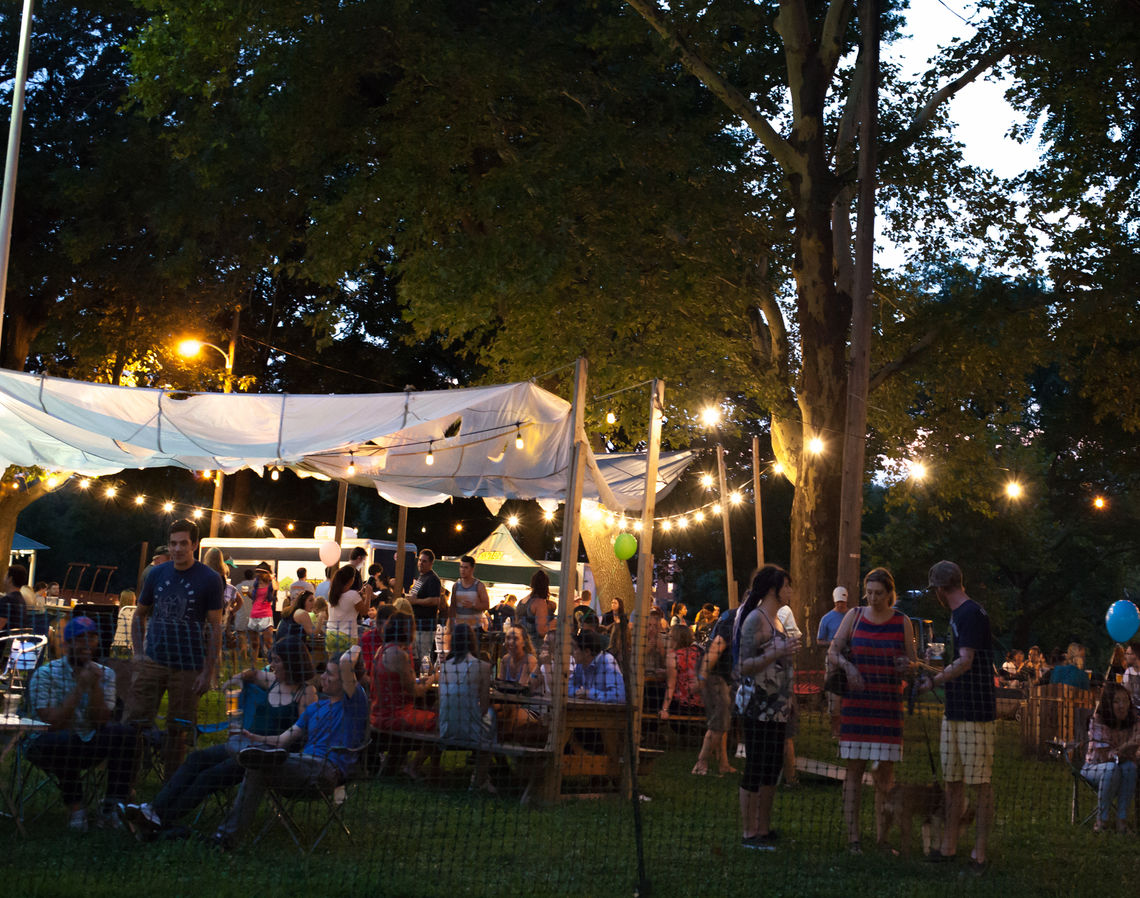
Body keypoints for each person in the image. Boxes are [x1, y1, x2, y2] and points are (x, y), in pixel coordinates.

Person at [118, 636, 316, 839]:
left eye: (276, 660)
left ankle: (159, 816)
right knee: (197, 759)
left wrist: (260, 739)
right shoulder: (274, 681)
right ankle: (153, 810)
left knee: (210, 775)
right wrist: (237, 678)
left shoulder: (305, 693)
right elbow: (253, 674)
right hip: (244, 743)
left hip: (266, 755)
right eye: (271, 659)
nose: (271, 665)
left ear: (292, 661)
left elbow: (300, 734)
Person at [212, 644, 367, 850]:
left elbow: (348, 662)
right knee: (253, 760)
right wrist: (253, 737)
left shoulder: (354, 704)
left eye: (330, 675)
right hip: (298, 769)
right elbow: (283, 740)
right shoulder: (315, 708)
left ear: (347, 680)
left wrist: (356, 646)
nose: (322, 678)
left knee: (261, 761)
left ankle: (225, 837)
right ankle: (225, 839)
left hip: (326, 772)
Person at [125, 518, 224, 777]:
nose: (177, 549)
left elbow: (215, 627)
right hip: (154, 660)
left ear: (195, 544)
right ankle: (126, 784)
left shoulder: (211, 579)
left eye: (183, 543)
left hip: (189, 665)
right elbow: (139, 615)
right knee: (135, 723)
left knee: (178, 729)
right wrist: (138, 654)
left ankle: (170, 790)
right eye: (172, 544)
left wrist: (207, 671)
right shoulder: (157, 574)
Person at [828, 567, 917, 853]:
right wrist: (849, 667)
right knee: (853, 771)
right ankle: (853, 838)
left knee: (884, 776)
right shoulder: (854, 616)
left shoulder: (902, 622)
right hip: (857, 707)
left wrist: (908, 667)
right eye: (869, 593)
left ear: (890, 594)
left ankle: (882, 838)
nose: (873, 598)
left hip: (887, 707)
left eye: (879, 593)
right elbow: (833, 651)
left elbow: (913, 665)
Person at [917, 560, 996, 870]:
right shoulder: (957, 616)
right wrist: (930, 661)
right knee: (952, 781)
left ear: (939, 589)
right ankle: (948, 847)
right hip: (954, 710)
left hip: (976, 713)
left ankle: (979, 853)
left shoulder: (971, 614)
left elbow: (965, 661)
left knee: (980, 783)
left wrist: (932, 681)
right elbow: (955, 656)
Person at [26, 616, 138, 831]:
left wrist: (93, 685)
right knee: (64, 739)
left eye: (92, 637)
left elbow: (101, 721)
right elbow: (53, 724)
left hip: (88, 739)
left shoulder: (105, 674)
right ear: (67, 644)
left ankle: (111, 807)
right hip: (47, 744)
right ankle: (76, 808)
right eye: (80, 639)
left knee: (124, 733)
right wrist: (80, 687)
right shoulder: (45, 674)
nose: (87, 644)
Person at [733, 565, 799, 850]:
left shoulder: (778, 620)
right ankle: (749, 832)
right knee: (756, 766)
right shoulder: (754, 620)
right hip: (758, 706)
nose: (790, 591)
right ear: (774, 589)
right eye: (787, 586)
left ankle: (764, 827)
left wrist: (790, 696)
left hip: (779, 707)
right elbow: (743, 666)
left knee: (773, 767)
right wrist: (776, 652)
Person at [370, 614, 437, 779]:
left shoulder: (382, 650)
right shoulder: (400, 655)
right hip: (394, 716)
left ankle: (397, 765)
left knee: (431, 712)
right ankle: (415, 767)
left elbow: (398, 682)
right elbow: (416, 691)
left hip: (377, 712)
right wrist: (434, 678)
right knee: (441, 722)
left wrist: (423, 680)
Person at [438, 624, 494, 788]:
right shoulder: (483, 667)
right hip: (468, 731)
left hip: (445, 729)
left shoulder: (444, 667)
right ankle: (479, 780)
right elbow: (484, 707)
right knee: (492, 725)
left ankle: (483, 777)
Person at [1081, 682, 1140, 832]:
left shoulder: (1133, 720)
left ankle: (1122, 820)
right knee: (1111, 768)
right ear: (1108, 703)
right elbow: (1105, 757)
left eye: (1125, 701)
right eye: (1116, 701)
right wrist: (1127, 746)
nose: (1122, 706)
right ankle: (1102, 820)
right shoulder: (1098, 721)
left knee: (1130, 768)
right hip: (1093, 768)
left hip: (1122, 765)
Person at [692, 606, 738, 776]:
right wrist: (702, 677)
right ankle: (701, 763)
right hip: (714, 673)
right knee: (719, 722)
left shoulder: (732, 615)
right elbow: (716, 648)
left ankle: (723, 763)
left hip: (722, 674)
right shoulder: (734, 619)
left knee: (723, 721)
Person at [818, 586, 850, 737]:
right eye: (838, 602)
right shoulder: (827, 618)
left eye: (842, 602)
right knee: (833, 694)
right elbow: (819, 640)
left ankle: (848, 727)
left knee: (849, 693)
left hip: (850, 657)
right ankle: (835, 729)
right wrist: (832, 644)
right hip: (833, 660)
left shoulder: (852, 616)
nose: (840, 605)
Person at [659, 623, 704, 720]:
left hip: (684, 705)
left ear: (674, 638)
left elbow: (670, 686)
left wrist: (665, 709)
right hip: (704, 705)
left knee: (652, 692)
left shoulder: (673, 656)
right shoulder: (697, 651)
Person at [569, 629, 625, 703]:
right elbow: (567, 688)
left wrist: (589, 694)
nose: (572, 652)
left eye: (575, 649)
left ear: (587, 652)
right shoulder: (581, 664)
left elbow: (619, 696)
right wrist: (578, 692)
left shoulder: (608, 661)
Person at [407, 549, 443, 662]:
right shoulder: (420, 577)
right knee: (416, 656)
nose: (420, 563)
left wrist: (416, 601)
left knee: (423, 657)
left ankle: (426, 678)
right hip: (416, 624)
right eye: (420, 560)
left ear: (431, 563)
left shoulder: (433, 579)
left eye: (424, 561)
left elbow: (435, 600)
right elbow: (414, 596)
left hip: (426, 626)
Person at [326, 565, 368, 653]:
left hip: (330, 634)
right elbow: (364, 612)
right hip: (347, 636)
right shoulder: (353, 595)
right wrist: (368, 595)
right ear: (351, 579)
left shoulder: (331, 592)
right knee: (347, 665)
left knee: (333, 664)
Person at [449, 554, 491, 639]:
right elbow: (452, 606)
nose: (462, 570)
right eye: (461, 567)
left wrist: (473, 605)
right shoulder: (456, 586)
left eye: (465, 567)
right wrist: (451, 625)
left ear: (472, 569)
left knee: (474, 652)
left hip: (475, 629)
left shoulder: (479, 586)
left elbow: (486, 605)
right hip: (459, 628)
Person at [246, 562, 277, 660]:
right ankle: (253, 666)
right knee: (254, 644)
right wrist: (248, 593)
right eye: (257, 572)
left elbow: (276, 588)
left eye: (260, 572)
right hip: (254, 614)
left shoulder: (270, 584)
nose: (258, 574)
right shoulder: (256, 582)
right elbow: (255, 599)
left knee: (268, 642)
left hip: (266, 615)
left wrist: (273, 578)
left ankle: (273, 663)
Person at [517, 569, 552, 640]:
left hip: (520, 644)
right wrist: (556, 622)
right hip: (534, 647)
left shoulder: (522, 601)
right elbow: (542, 631)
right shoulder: (539, 603)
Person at [0, 563, 29, 635]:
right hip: (15, 644)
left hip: (3, 643)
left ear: (10, 579)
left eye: (5, 575)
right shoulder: (21, 600)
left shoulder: (7, 600)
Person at [1122, 642, 1140, 710]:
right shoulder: (1128, 671)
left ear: (1134, 655)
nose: (1125, 656)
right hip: (1131, 710)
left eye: (1127, 653)